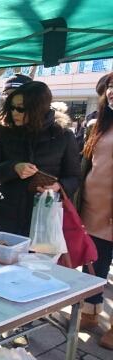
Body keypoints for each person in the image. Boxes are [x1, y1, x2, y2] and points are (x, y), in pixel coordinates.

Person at [0, 81, 80, 236]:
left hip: (43, 217)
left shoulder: (63, 135)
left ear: (39, 108)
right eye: (11, 107)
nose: (14, 112)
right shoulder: (1, 131)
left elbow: (74, 177)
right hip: (2, 213)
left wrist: (59, 186)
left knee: (35, 260)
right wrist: (13, 168)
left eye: (21, 108)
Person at [77, 72, 113, 349]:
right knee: (94, 263)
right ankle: (90, 312)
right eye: (110, 87)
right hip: (93, 209)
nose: (112, 92)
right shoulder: (99, 124)